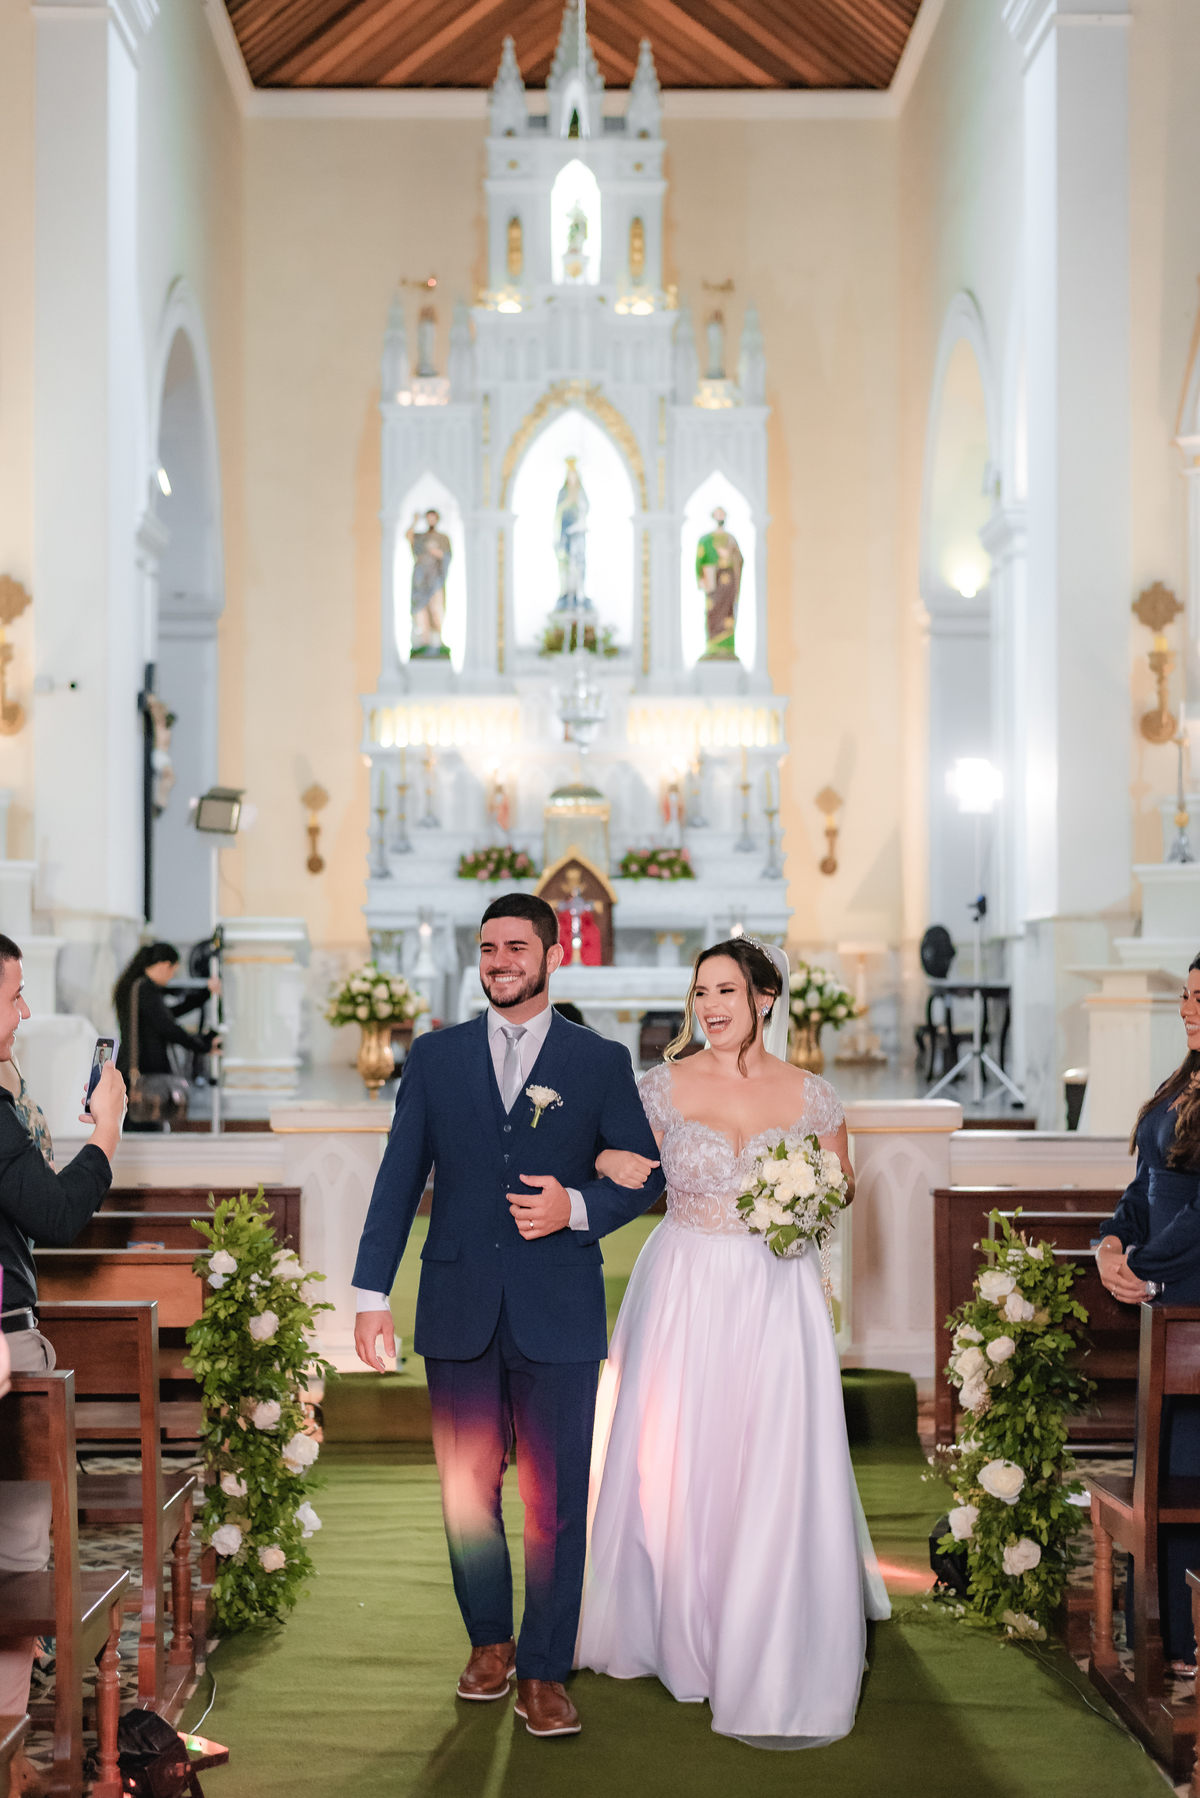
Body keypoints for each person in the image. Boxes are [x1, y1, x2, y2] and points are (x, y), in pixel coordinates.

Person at [352, 893, 664, 1739]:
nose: (499, 960)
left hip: (558, 1307)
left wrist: (576, 1207)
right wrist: (371, 1295)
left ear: (552, 956)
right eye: (488, 947)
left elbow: (649, 1178)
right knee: (466, 1493)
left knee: (557, 1501)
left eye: (516, 946)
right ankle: (489, 1642)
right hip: (456, 1306)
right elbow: (397, 1179)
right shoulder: (436, 1055)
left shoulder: (598, 1062)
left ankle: (545, 1670)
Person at [576, 937, 891, 1748]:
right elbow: (606, 1154)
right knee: (682, 1455)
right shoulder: (659, 1086)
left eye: (727, 990)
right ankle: (676, 1623)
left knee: (771, 1458)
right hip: (683, 1284)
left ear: (765, 998)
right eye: (700, 991)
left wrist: (811, 1196)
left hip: (775, 1290)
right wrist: (610, 1156)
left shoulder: (814, 1095)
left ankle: (765, 1627)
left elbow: (841, 1184)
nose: (710, 1006)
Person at [0, 931, 127, 1792]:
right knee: (15, 1566)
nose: (26, 1010)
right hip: (5, 1342)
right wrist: (107, 1136)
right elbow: (53, 1212)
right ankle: (8, 1757)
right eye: (13, 994)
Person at [1096, 951, 1200, 1669]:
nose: (1189, 1008)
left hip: (1192, 1298)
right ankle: (1160, 1628)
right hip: (1163, 1298)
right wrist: (1110, 1242)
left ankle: (1191, 1635)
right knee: (1159, 1465)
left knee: (1191, 1466)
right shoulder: (1181, 1084)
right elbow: (1147, 1189)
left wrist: (1147, 1270)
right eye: (1188, 997)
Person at [113, 941, 216, 1099]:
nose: (171, 978)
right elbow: (169, 1027)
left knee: (139, 1120)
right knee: (146, 1121)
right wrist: (203, 1045)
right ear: (165, 965)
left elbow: (167, 1016)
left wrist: (204, 994)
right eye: (173, 972)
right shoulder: (145, 989)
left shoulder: (135, 987)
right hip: (145, 1072)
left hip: (135, 1071)